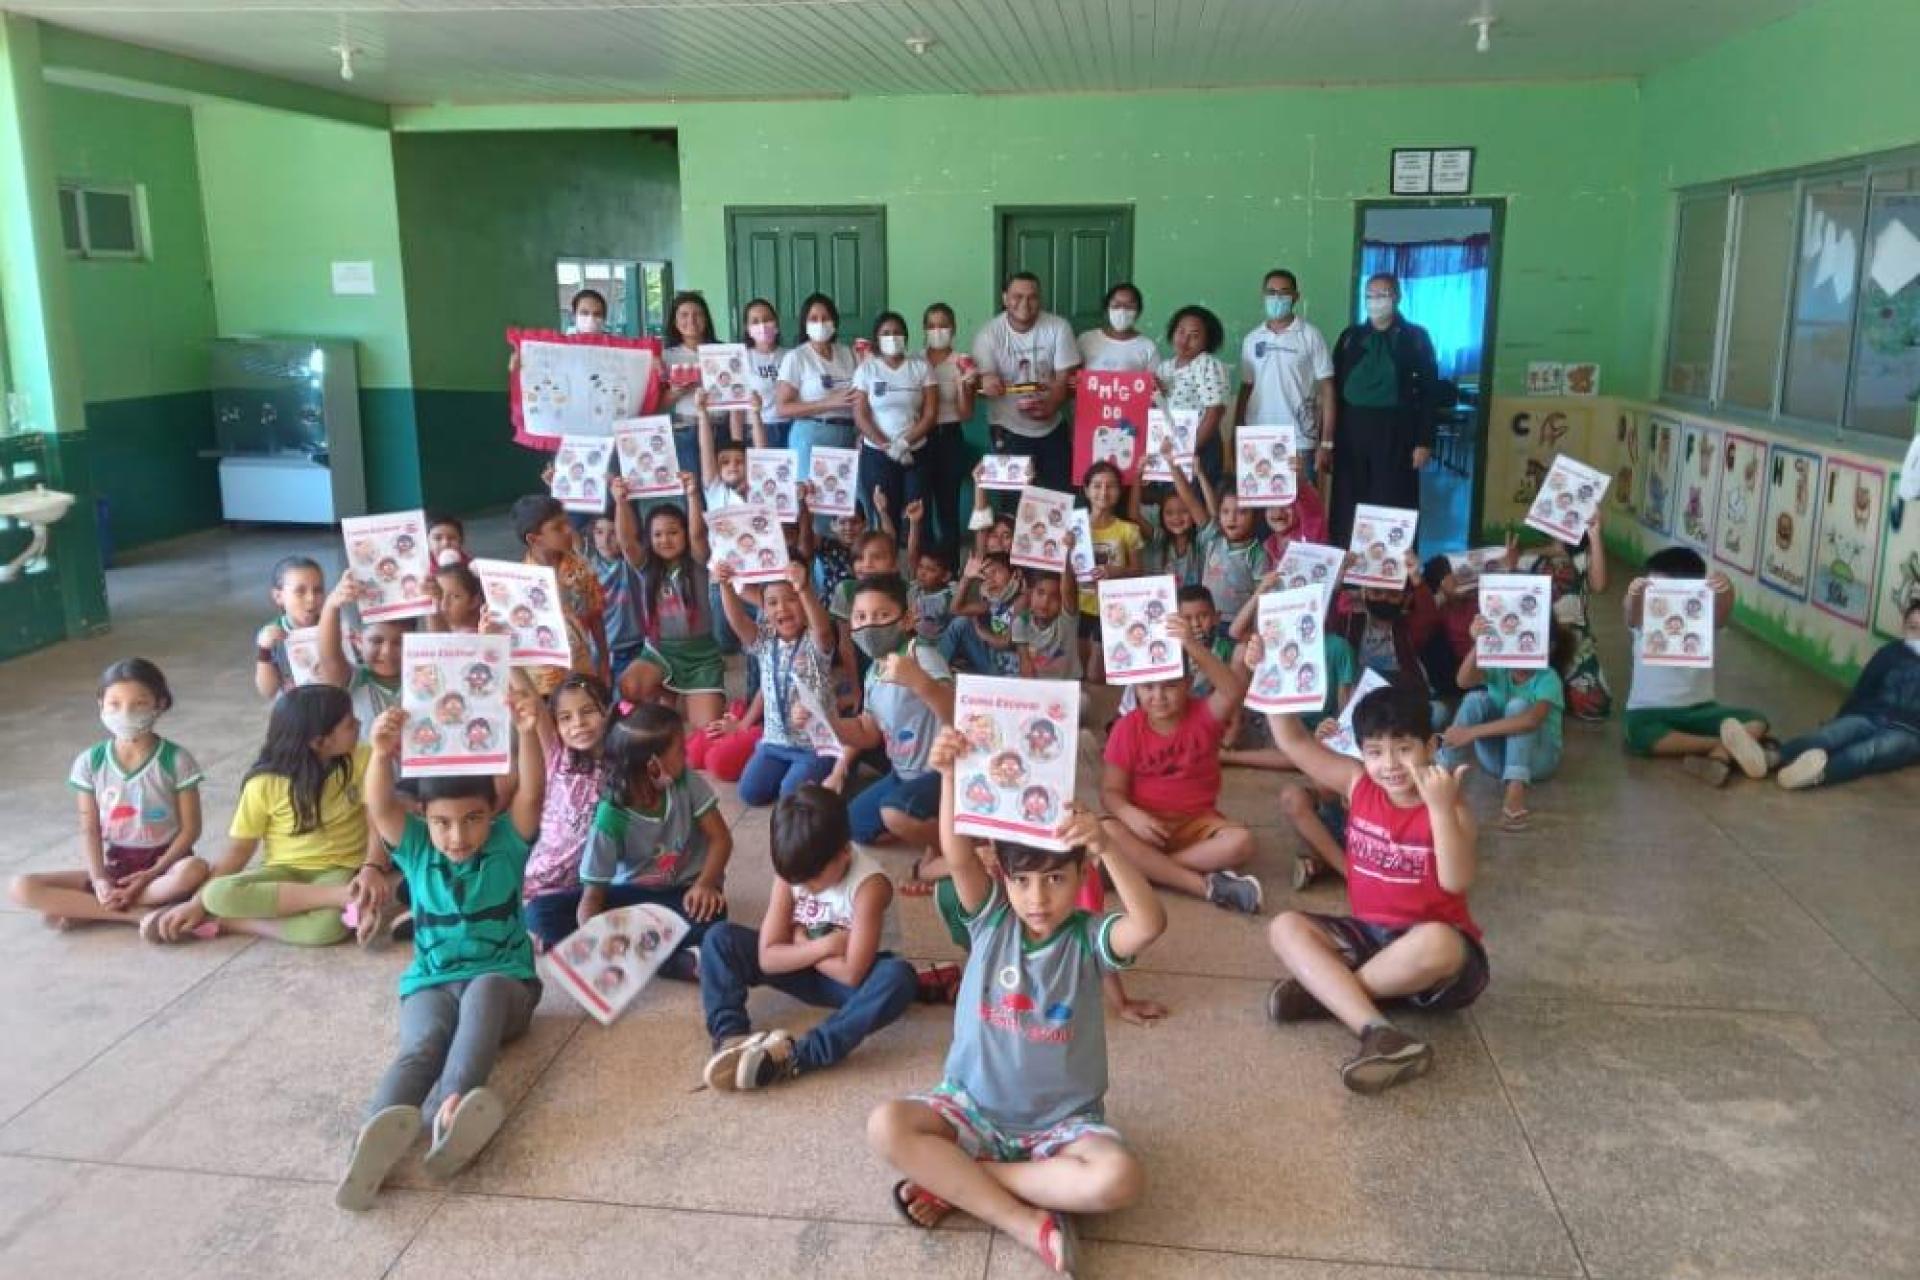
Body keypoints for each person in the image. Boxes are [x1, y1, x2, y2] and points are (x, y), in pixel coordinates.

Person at [866, 730, 1166, 1272]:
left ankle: (959, 1181)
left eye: (1055, 879)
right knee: (885, 1125)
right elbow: (957, 852)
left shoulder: (1086, 937)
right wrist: (953, 773)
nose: (1037, 898)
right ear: (1001, 877)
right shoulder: (991, 919)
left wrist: (1106, 845)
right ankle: (1023, 1220)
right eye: (1022, 880)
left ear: (1081, 875)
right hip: (971, 1109)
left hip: (1062, 1127)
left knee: (1120, 1178)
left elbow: (1148, 923)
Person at [334, 700, 546, 1211]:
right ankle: (372, 1138)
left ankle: (454, 1109)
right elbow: (381, 805)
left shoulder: (507, 842)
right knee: (421, 1043)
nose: (458, 835)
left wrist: (527, 732)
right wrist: (382, 754)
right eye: (443, 823)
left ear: (491, 812)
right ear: (423, 820)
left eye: (472, 819)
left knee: (487, 990)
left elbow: (533, 793)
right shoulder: (414, 849)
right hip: (431, 982)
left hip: (507, 987)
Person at [1264, 683, 1488, 1095]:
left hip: (1437, 959)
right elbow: (1293, 740)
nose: (1390, 765)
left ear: (1431, 746)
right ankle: (1379, 1031)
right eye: (1375, 752)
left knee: (1439, 940)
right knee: (1284, 926)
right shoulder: (1357, 784)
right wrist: (1272, 670)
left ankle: (1330, 993)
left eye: (1404, 749)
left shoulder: (1451, 807)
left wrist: (1439, 808)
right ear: (1361, 753)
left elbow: (1456, 880)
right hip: (1371, 935)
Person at [698, 785, 918, 1091]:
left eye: (812, 879)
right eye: (796, 880)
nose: (806, 886)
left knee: (900, 978)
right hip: (805, 961)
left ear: (843, 852)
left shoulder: (869, 886)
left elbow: (852, 974)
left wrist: (799, 943)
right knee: (719, 939)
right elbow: (768, 958)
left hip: (853, 981)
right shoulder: (794, 872)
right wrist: (821, 946)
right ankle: (732, 1039)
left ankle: (799, 1056)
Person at [142, 686, 389, 947]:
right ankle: (342, 899)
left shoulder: (364, 758)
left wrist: (371, 867)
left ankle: (227, 922)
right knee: (215, 893)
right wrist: (196, 903)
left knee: (326, 930)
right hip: (284, 871)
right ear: (319, 741)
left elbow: (376, 819)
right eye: (350, 724)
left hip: (339, 869)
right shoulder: (262, 784)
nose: (359, 724)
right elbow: (239, 850)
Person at [11, 658, 209, 929]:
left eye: (139, 704)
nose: (125, 713)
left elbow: (191, 831)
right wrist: (100, 879)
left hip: (166, 867)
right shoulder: (90, 762)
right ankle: (136, 914)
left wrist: (151, 873)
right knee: (22, 886)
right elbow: (89, 829)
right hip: (117, 866)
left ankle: (97, 909)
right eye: (114, 704)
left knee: (195, 870)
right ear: (100, 705)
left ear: (160, 704)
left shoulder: (176, 760)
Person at [1099, 614, 1263, 914]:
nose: (1158, 697)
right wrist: (1132, 815)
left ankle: (1146, 870)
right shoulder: (1127, 727)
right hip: (1142, 827)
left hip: (1196, 825)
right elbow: (1110, 792)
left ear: (1188, 684)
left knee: (1242, 842)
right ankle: (1204, 887)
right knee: (1107, 829)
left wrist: (1190, 644)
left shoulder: (1204, 715)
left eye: (1170, 686)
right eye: (1148, 687)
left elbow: (1233, 691)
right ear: (1135, 689)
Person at [580, 705, 734, 977]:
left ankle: (633, 952)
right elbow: (593, 894)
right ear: (653, 765)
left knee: (714, 919)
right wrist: (594, 934)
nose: (687, 756)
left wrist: (705, 885)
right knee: (542, 913)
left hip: (684, 893)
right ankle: (676, 962)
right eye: (680, 752)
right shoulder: (611, 815)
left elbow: (721, 839)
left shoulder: (686, 782)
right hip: (633, 901)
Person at [820, 574, 955, 865]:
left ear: (906, 620)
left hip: (939, 775)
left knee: (894, 813)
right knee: (856, 825)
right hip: (901, 774)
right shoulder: (873, 672)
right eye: (860, 616)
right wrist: (828, 722)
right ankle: (929, 825)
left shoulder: (922, 655)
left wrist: (920, 681)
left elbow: (956, 714)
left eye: (882, 615)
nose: (869, 625)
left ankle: (951, 847)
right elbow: (868, 731)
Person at [1622, 546, 1772, 787]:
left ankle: (1721, 755)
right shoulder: (1643, 618)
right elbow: (1631, 613)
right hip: (1648, 711)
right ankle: (1721, 747)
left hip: (1700, 710)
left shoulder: (1702, 618)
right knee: (1639, 735)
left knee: (1756, 720)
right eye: (1654, 588)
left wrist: (1726, 589)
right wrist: (1635, 594)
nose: (1660, 597)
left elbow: (1723, 612)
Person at [717, 560, 846, 803]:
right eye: (773, 603)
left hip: (813, 746)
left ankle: (834, 764)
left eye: (791, 599)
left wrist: (804, 588)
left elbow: (823, 630)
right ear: (764, 611)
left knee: (790, 795)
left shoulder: (816, 642)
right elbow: (739, 623)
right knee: (750, 793)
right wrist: (725, 585)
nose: (782, 608)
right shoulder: (765, 641)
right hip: (774, 742)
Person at [609, 474, 727, 736]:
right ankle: (668, 694)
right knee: (628, 686)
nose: (665, 539)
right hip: (660, 653)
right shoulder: (646, 567)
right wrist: (621, 501)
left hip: (701, 658)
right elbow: (627, 541)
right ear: (649, 539)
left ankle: (681, 698)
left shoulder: (698, 561)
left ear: (684, 533)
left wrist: (693, 495)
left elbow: (698, 534)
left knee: (707, 730)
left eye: (673, 532)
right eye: (658, 535)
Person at [1328, 273, 1440, 546]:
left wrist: (1424, 441)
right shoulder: (1350, 337)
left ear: (1397, 297)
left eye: (1383, 295)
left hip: (1397, 435)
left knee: (1392, 501)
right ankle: (1349, 574)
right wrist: (1328, 441)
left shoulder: (1415, 338)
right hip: (1351, 434)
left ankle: (1393, 576)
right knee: (1348, 503)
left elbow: (1429, 392)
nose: (1376, 301)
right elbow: (1331, 391)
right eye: (1370, 295)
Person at [1770, 594, 1920, 789]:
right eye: (1913, 628)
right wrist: (1841, 718)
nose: (1918, 635)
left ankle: (1817, 774)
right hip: (1870, 716)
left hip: (1908, 732)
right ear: (1903, 628)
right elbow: (1863, 689)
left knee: (1869, 751)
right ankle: (1771, 758)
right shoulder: (1889, 653)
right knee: (1829, 735)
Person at [1439, 621, 1571, 831]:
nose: (1520, 649)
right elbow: (1462, 681)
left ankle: (1515, 790)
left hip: (1538, 762)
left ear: (1549, 647)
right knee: (1475, 699)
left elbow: (1531, 721)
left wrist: (1471, 733)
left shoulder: (1548, 678)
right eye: (1515, 641)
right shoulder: (1500, 668)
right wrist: (1477, 644)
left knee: (1518, 707)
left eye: (1529, 643)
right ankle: (1443, 770)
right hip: (1496, 761)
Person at [517, 673, 615, 950]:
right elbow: (533, 700)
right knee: (533, 913)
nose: (579, 724)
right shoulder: (558, 756)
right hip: (539, 879)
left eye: (588, 712)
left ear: (608, 711)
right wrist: (509, 656)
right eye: (566, 718)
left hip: (590, 887)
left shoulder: (623, 761)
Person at [970, 272, 1080, 492]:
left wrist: (1051, 404)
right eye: (1017, 296)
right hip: (1007, 429)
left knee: (1059, 498)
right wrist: (986, 381)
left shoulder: (1058, 327)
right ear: (1004, 298)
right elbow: (979, 387)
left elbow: (1065, 379)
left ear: (1039, 299)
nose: (1025, 303)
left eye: (1032, 297)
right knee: (1014, 501)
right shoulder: (988, 335)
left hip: (1052, 427)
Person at [1234, 268, 1335, 486]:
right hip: (1257, 437)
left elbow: (1328, 389)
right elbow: (1246, 388)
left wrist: (1326, 443)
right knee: (1259, 510)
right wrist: (1237, 431)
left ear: (1295, 297)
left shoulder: (1310, 335)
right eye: (1271, 292)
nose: (1277, 298)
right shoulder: (1252, 339)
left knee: (1301, 508)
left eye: (1284, 292)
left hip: (1299, 440)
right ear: (1263, 295)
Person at [1510, 511, 1614, 721]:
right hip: (1535, 641)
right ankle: (1546, 693)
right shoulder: (1530, 558)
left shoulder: (1582, 557)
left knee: (1597, 708)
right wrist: (1510, 566)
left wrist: (1595, 536)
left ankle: (1556, 693)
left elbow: (1600, 584)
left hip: (1575, 641)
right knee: (1518, 704)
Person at [511, 494, 608, 696]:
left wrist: (605, 662)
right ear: (533, 539)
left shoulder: (581, 569)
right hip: (542, 680)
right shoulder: (518, 582)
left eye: (567, 523)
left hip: (581, 668)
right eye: (557, 528)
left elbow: (595, 615)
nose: (568, 531)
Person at [853, 310, 938, 525]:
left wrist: (903, 443)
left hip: (915, 453)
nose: (892, 337)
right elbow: (860, 415)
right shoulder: (866, 370)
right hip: (878, 455)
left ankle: (914, 557)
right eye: (886, 333)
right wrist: (887, 446)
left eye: (897, 332)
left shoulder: (921, 367)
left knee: (916, 520)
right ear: (877, 339)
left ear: (906, 337)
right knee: (884, 519)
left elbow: (930, 414)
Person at [1164, 462, 1268, 635]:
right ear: (1218, 514)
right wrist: (1172, 465)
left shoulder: (1257, 554)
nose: (1232, 518)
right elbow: (1189, 500)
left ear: (1255, 516)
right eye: (1225, 511)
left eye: (1241, 512)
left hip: (1238, 626)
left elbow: (1260, 600)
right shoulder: (1213, 538)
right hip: (1206, 622)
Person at [776, 292, 859, 482]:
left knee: (844, 506)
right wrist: (827, 403)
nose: (820, 323)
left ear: (834, 322)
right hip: (811, 436)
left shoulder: (848, 353)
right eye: (814, 318)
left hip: (847, 436)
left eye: (825, 318)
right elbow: (782, 408)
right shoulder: (796, 357)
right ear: (805, 324)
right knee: (812, 503)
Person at [316, 574, 406, 738]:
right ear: (357, 640)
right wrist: (331, 606)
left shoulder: (421, 676)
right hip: (367, 764)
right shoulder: (354, 680)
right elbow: (330, 660)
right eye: (376, 641)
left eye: (399, 642)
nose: (387, 652)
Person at [1075, 461, 1143, 677]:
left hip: (1113, 609)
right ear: (1086, 490)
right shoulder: (1074, 526)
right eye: (1096, 485)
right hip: (1078, 607)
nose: (1104, 492)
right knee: (1078, 668)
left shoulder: (1128, 530)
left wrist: (1117, 571)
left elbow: (1138, 571)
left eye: (1111, 486)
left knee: (1097, 672)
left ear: (1119, 491)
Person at [920, 302, 977, 556]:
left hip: (950, 437)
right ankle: (923, 575)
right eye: (932, 326)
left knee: (948, 509)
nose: (937, 330)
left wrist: (965, 386)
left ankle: (951, 573)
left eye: (943, 325)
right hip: (920, 439)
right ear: (924, 329)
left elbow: (966, 414)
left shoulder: (962, 362)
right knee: (920, 509)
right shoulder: (915, 360)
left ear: (953, 329)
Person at [1154, 305, 1231, 482]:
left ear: (1207, 341)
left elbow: (1214, 413)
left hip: (1199, 447)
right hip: (1169, 447)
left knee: (1196, 501)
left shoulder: (1207, 365)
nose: (1184, 340)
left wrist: (1187, 449)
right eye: (1180, 332)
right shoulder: (1164, 367)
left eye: (1194, 336)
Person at [660, 290, 720, 476]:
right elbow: (658, 404)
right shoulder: (666, 356)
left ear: (706, 319)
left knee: (723, 487)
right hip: (687, 430)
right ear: (674, 321)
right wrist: (677, 391)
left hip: (721, 427)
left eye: (698, 314)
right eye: (684, 315)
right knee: (692, 486)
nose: (691, 320)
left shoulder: (724, 351)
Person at [253, 554, 326, 700]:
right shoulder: (272, 635)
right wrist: (264, 651)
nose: (311, 598)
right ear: (278, 596)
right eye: (300, 591)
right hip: (294, 713)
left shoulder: (334, 626)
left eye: (317, 590)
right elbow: (268, 691)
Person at [739, 297, 790, 448]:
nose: (762, 325)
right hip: (758, 429)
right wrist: (737, 444)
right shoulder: (741, 359)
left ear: (776, 323)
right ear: (747, 328)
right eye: (755, 321)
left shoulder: (792, 355)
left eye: (767, 319)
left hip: (791, 426)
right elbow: (736, 410)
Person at [1076, 282, 1156, 372]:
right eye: (1116, 305)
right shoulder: (1086, 339)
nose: (1122, 311)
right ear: (1107, 309)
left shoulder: (1148, 346)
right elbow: (1074, 373)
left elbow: (1152, 382)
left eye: (1129, 306)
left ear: (1138, 312)